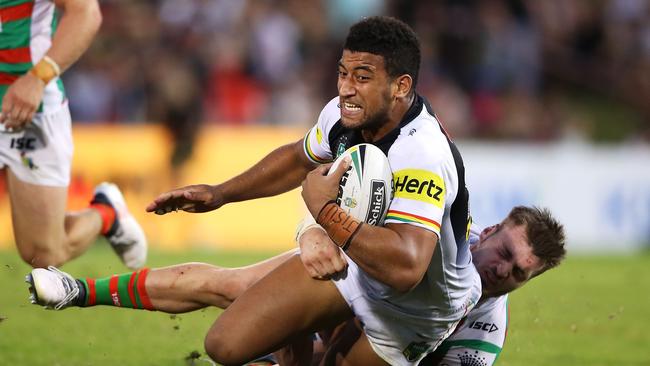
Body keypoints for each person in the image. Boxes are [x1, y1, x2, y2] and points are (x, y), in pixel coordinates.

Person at [27, 205, 566, 366]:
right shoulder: (426, 231)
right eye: (504, 255)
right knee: (231, 287)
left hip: (359, 348)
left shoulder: (481, 337)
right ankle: (79, 290)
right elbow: (346, 207)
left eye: (519, 274)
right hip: (341, 282)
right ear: (490, 230)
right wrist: (312, 233)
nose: (502, 271)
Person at [0, 0, 146, 269]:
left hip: (28, 105)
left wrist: (38, 78)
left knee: (43, 253)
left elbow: (86, 14)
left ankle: (106, 214)